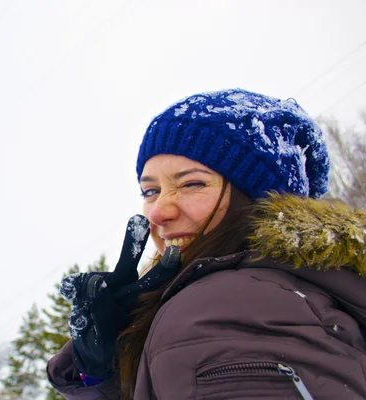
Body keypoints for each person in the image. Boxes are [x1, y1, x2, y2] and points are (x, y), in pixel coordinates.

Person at [47, 88, 366, 399]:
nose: (158, 211)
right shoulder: (294, 292)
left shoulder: (222, 309)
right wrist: (108, 371)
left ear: (261, 198)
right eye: (150, 191)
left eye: (191, 183)